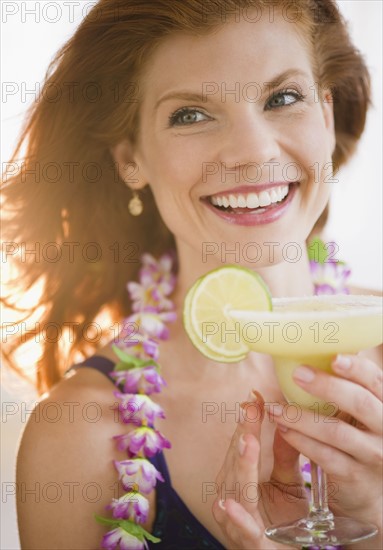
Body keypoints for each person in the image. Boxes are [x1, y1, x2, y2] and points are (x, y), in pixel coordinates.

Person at [2, 0, 381, 548]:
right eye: (190, 114)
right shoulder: (79, 436)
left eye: (283, 97)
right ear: (129, 156)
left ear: (325, 115)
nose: (253, 153)